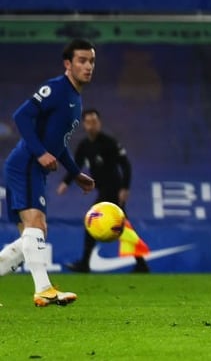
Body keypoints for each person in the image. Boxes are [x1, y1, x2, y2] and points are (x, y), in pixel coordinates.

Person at [0, 39, 96, 306]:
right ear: (68, 64)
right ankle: (43, 289)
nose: (88, 66)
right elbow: (21, 116)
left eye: (91, 61)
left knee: (31, 236)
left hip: (34, 167)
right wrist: (39, 152)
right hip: (27, 163)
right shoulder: (55, 89)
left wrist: (75, 173)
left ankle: (44, 288)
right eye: (82, 61)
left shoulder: (75, 98)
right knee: (36, 226)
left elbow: (58, 143)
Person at [57, 109, 149, 273]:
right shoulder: (84, 145)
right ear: (84, 125)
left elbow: (125, 165)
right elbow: (76, 166)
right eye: (88, 122)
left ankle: (85, 263)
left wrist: (125, 188)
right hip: (103, 189)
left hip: (113, 189)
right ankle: (141, 263)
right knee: (123, 227)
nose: (92, 125)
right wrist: (66, 182)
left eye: (95, 121)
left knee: (92, 220)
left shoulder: (109, 142)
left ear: (99, 123)